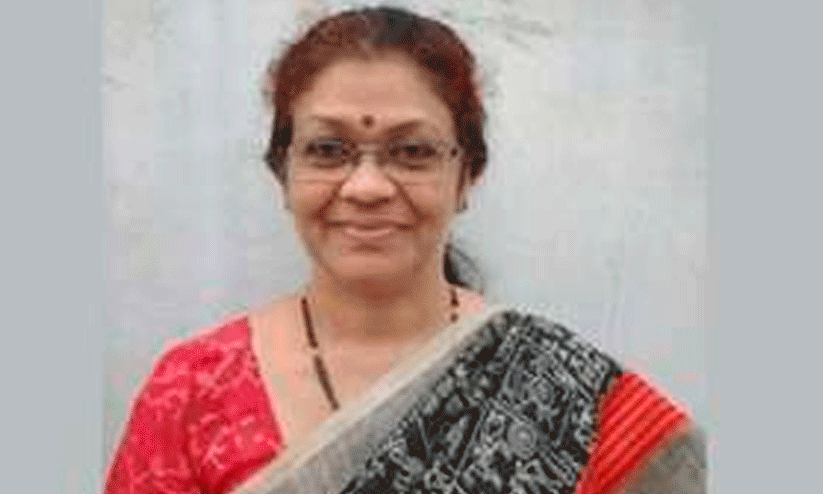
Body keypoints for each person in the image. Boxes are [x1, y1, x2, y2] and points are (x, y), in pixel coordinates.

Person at [104, 6, 706, 494]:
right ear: (282, 174)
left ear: (467, 176)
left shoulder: (567, 395)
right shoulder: (193, 392)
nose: (366, 187)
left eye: (412, 152)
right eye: (327, 150)